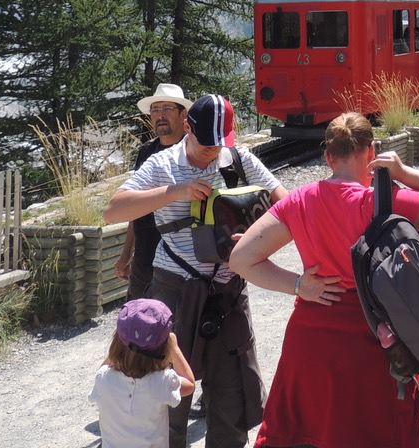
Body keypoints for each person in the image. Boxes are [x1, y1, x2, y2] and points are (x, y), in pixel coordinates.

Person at [228, 112, 419, 448]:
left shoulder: (299, 200)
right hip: (374, 341)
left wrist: (299, 285)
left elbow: (241, 259)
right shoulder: (380, 204)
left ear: (328, 157)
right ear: (371, 153)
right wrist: (403, 172)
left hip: (309, 345)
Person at [104, 94, 286, 448]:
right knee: (167, 394)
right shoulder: (162, 165)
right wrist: (176, 192)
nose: (212, 151)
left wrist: (256, 236)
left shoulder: (239, 159)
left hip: (228, 292)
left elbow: (286, 202)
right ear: (187, 126)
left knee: (232, 394)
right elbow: (113, 210)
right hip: (174, 289)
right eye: (205, 143)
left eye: (219, 143)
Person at [115, 84, 193, 301]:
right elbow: (135, 205)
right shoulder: (146, 152)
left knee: (175, 325)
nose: (160, 115)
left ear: (182, 114)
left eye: (167, 108)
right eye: (155, 110)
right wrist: (126, 253)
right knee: (136, 323)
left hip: (179, 258)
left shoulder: (193, 152)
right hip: (144, 256)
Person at [91, 298, 196, 448]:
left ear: (116, 340)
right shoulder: (163, 382)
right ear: (165, 348)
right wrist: (175, 348)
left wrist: (122, 345)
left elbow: (107, 365)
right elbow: (190, 384)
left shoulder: (103, 378)